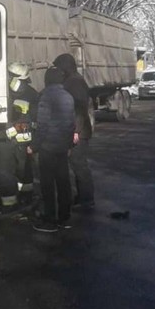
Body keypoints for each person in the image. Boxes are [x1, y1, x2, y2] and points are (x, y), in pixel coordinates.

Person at [0, 62, 38, 212]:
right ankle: (1, 202)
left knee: (15, 172)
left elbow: (32, 119)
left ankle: (16, 201)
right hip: (5, 139)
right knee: (0, 171)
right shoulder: (2, 91)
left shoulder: (28, 94)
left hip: (15, 140)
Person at [29, 67, 75, 232]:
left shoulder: (46, 97)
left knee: (47, 185)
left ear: (47, 80)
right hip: (62, 147)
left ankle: (49, 220)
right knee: (63, 183)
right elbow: (71, 124)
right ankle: (65, 218)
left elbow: (42, 126)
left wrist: (34, 146)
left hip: (47, 147)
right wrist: (69, 145)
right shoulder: (68, 96)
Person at [53, 53, 95, 209]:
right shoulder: (72, 80)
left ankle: (86, 199)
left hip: (78, 132)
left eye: (59, 67)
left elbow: (79, 109)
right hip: (77, 130)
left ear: (65, 67)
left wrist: (75, 131)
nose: (58, 71)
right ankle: (82, 197)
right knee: (77, 164)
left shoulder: (74, 82)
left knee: (79, 164)